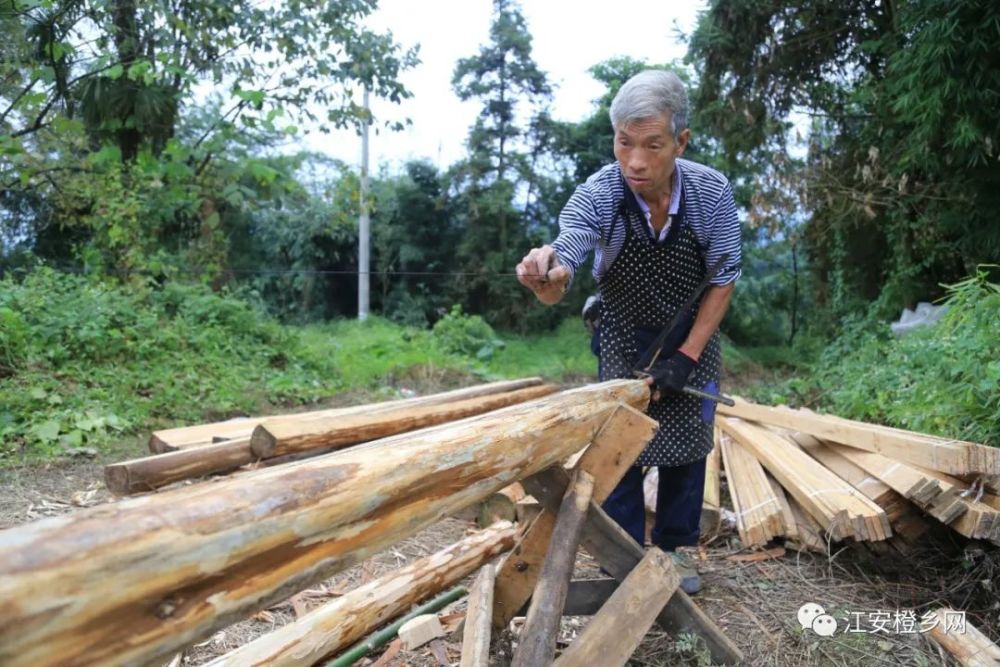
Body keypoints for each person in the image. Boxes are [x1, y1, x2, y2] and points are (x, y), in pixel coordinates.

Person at [515, 70, 741, 594]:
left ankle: (674, 552)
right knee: (618, 444)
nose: (636, 161)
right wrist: (547, 273)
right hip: (621, 328)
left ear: (680, 142)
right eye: (624, 143)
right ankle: (620, 552)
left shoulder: (711, 193)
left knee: (688, 442)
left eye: (653, 145)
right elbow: (570, 247)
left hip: (693, 333)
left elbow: (725, 277)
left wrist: (686, 355)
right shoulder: (600, 192)